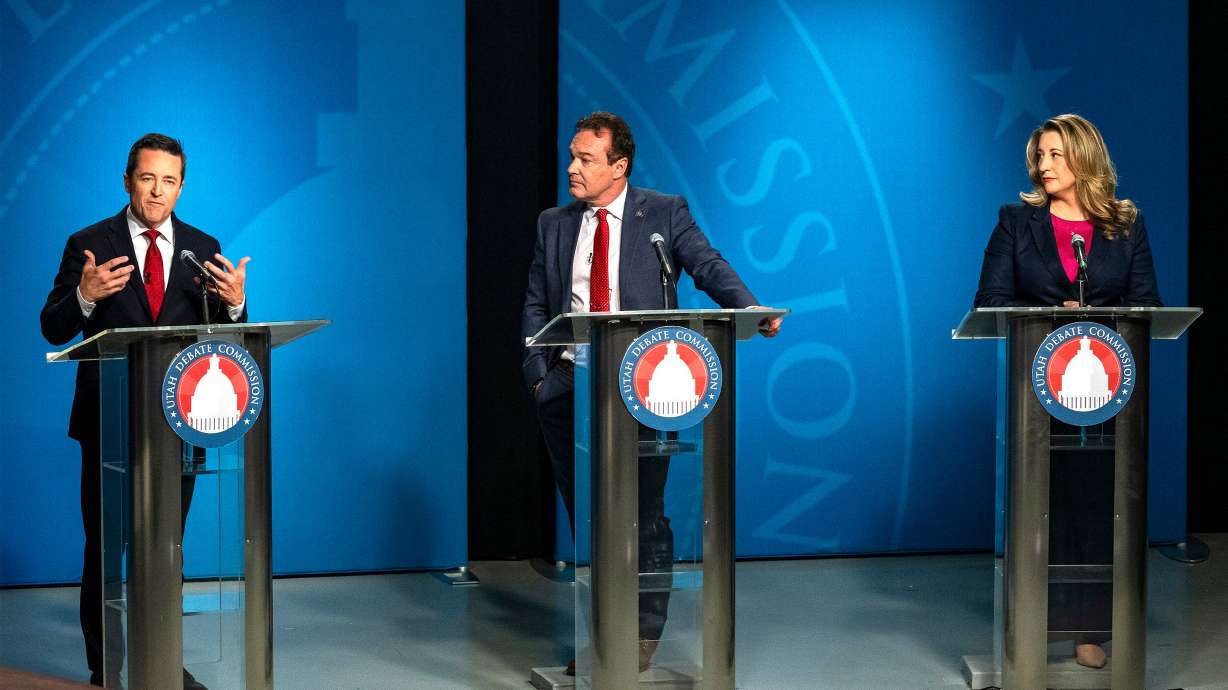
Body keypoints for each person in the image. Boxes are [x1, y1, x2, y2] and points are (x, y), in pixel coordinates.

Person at [521, 111, 780, 675]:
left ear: (620, 166)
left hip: (641, 381)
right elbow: (538, 302)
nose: (572, 168)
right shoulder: (554, 223)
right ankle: (604, 640)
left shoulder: (662, 214)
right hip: (569, 383)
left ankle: (641, 636)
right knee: (590, 518)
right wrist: (539, 376)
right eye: (572, 156)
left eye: (586, 159)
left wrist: (745, 305)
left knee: (646, 515)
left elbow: (706, 264)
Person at [41, 133, 249, 689]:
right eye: (148, 178)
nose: (158, 192)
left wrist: (236, 304)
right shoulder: (89, 242)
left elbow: (224, 338)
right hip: (107, 424)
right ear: (128, 179)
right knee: (106, 555)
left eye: (170, 181)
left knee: (166, 553)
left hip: (176, 428)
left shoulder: (201, 249)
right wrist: (84, 296)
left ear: (182, 186)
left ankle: (162, 664)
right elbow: (53, 326)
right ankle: (105, 670)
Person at [973, 114, 1161, 668]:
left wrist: (1098, 316)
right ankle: (1034, 621)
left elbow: (1148, 303)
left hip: (1107, 394)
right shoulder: (1016, 222)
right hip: (1037, 388)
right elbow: (990, 299)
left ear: (1084, 158)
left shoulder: (1125, 225)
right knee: (1042, 506)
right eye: (1040, 155)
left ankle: (1089, 630)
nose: (1043, 165)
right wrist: (1053, 313)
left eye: (1055, 154)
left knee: (1097, 507)